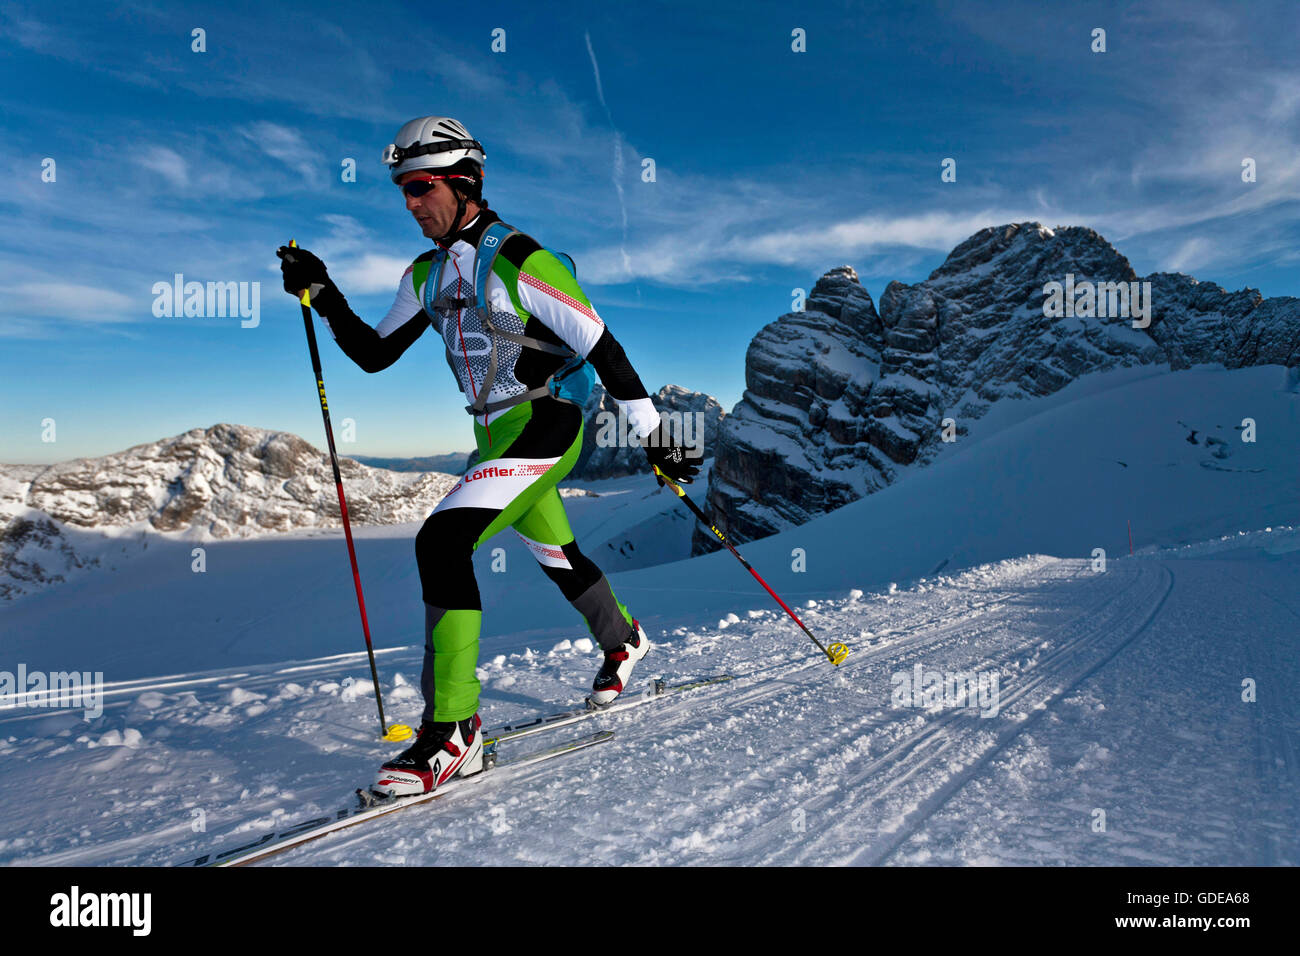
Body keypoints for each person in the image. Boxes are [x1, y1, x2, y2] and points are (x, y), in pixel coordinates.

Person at [276, 116, 698, 797]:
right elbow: (375, 355)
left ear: (465, 181)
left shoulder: (524, 260)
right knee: (558, 554)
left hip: (548, 423)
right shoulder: (426, 273)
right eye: (402, 191)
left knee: (442, 542)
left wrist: (657, 440)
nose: (411, 203)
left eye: (420, 187)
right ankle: (623, 642)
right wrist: (323, 293)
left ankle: (454, 730)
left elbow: (604, 349)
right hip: (493, 435)